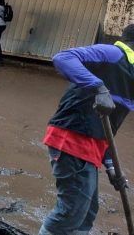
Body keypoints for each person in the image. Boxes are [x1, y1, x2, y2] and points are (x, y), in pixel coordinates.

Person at [39, 24, 134, 235]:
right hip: (72, 138)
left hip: (91, 145)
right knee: (71, 212)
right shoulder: (113, 54)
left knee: (87, 212)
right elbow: (63, 58)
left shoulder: (131, 76)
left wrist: (111, 167)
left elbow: (108, 129)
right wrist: (98, 87)